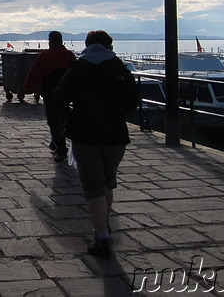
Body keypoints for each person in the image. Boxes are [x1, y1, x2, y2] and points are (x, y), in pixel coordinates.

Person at [53, 30, 140, 259]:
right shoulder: (120, 69)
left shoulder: (79, 69)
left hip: (86, 135)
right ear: (109, 46)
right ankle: (105, 225)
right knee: (108, 182)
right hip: (115, 136)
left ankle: (101, 238)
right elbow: (133, 103)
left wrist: (70, 115)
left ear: (87, 45)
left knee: (93, 187)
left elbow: (58, 98)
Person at [23, 31, 76, 161]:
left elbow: (35, 72)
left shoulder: (45, 55)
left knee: (53, 120)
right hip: (67, 95)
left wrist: (27, 87)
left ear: (50, 41)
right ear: (61, 41)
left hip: (50, 93)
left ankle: (61, 149)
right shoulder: (69, 55)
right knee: (63, 117)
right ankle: (55, 141)